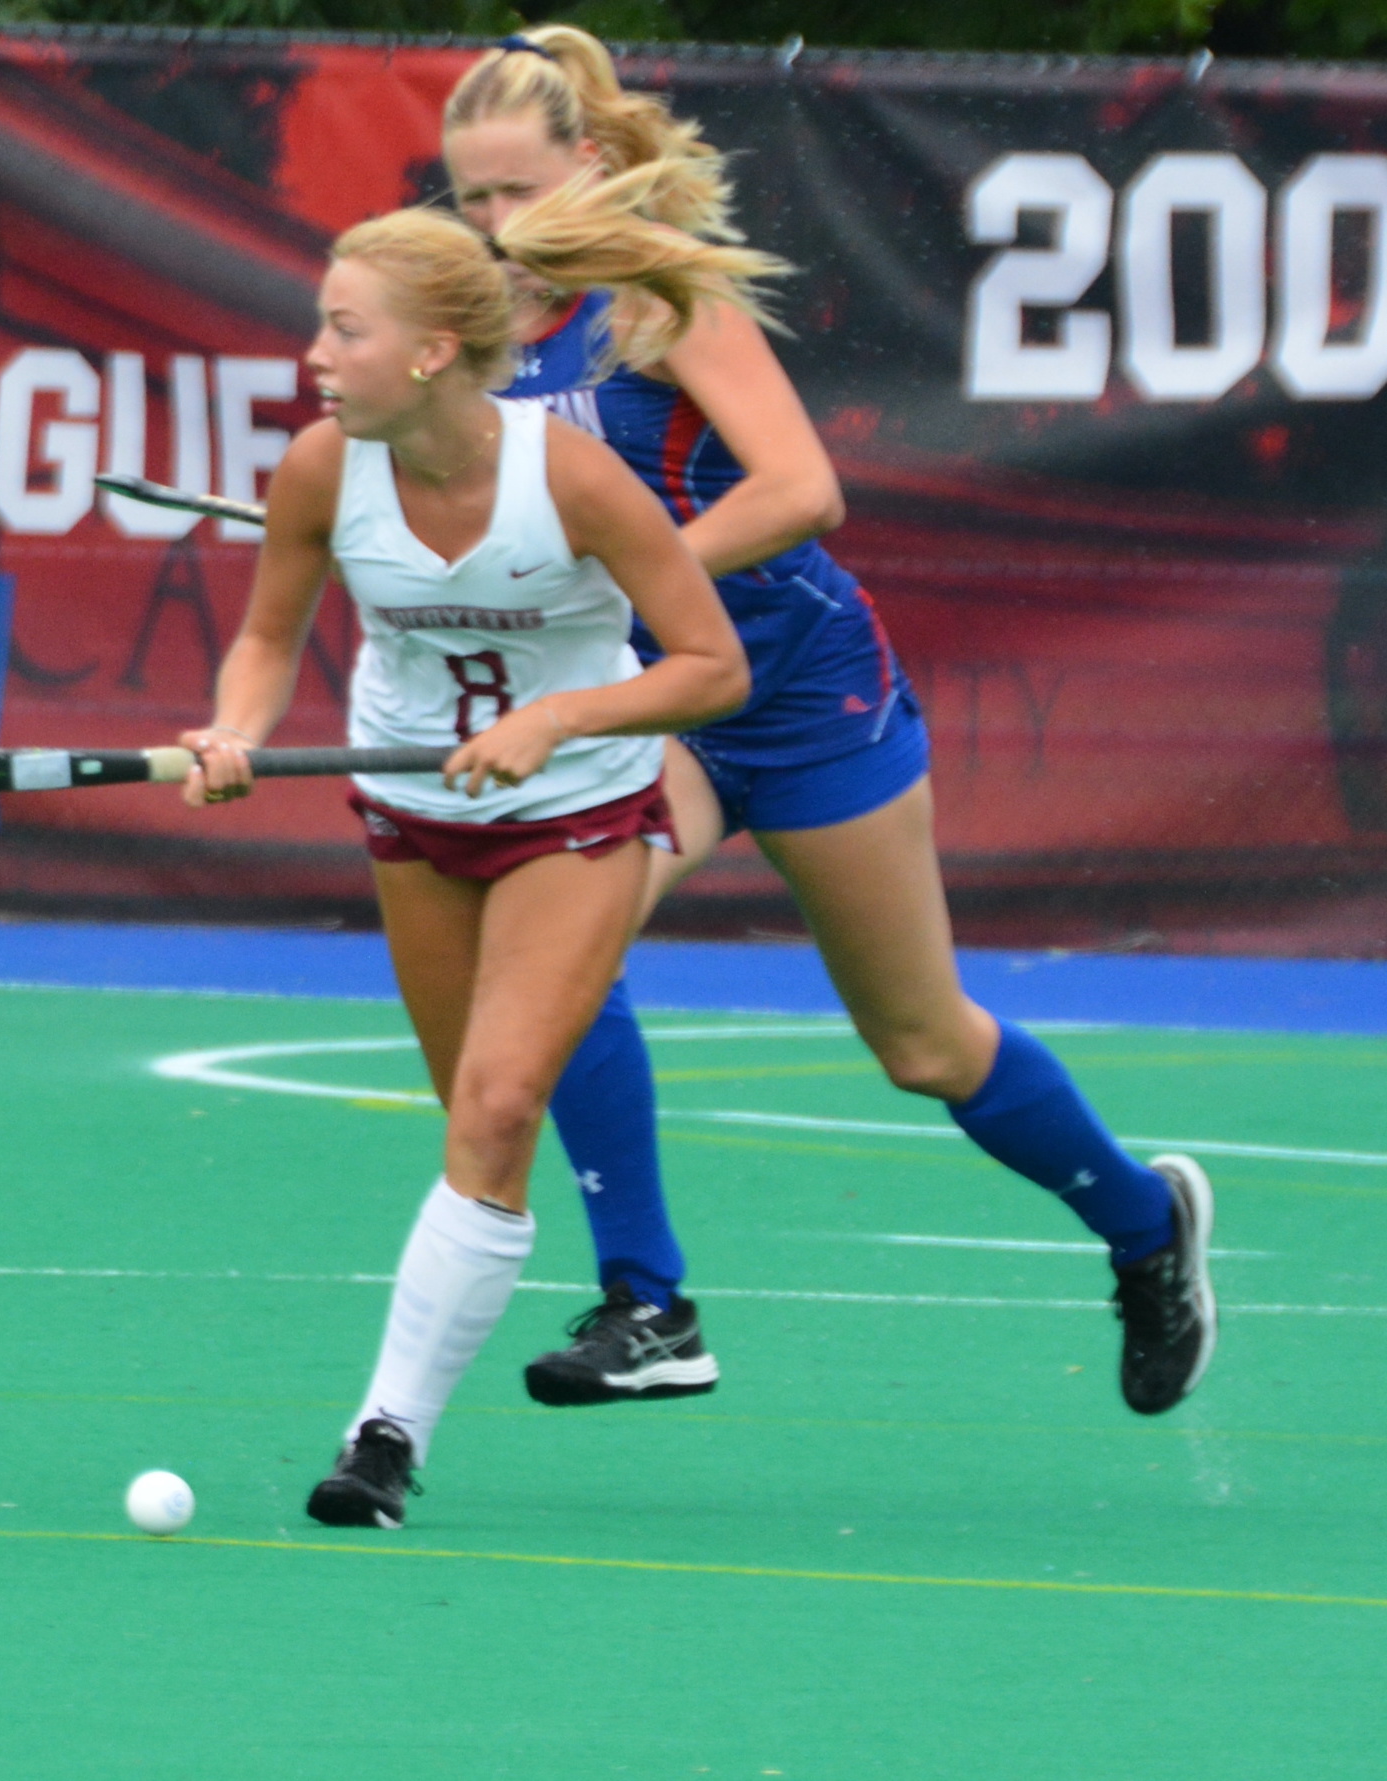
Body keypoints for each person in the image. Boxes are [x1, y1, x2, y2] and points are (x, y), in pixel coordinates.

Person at [440, 27, 1217, 1419]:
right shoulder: (479, 334)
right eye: (469, 196)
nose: (495, 224)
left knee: (924, 1045)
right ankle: (648, 1303)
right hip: (657, 703)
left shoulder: (660, 299)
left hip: (799, 688)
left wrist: (637, 576)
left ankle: (1143, 1225)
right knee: (565, 959)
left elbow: (802, 489)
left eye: (517, 190)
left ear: (592, 164)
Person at [178, 194, 752, 1527]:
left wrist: (557, 717)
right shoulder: (322, 470)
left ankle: (380, 1441)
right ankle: (428, 1382)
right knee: (472, 1125)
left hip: (576, 814)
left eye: (345, 330)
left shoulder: (574, 479)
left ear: (433, 351)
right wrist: (233, 731)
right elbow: (266, 639)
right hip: (412, 814)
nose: (316, 356)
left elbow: (710, 667)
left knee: (497, 1107)